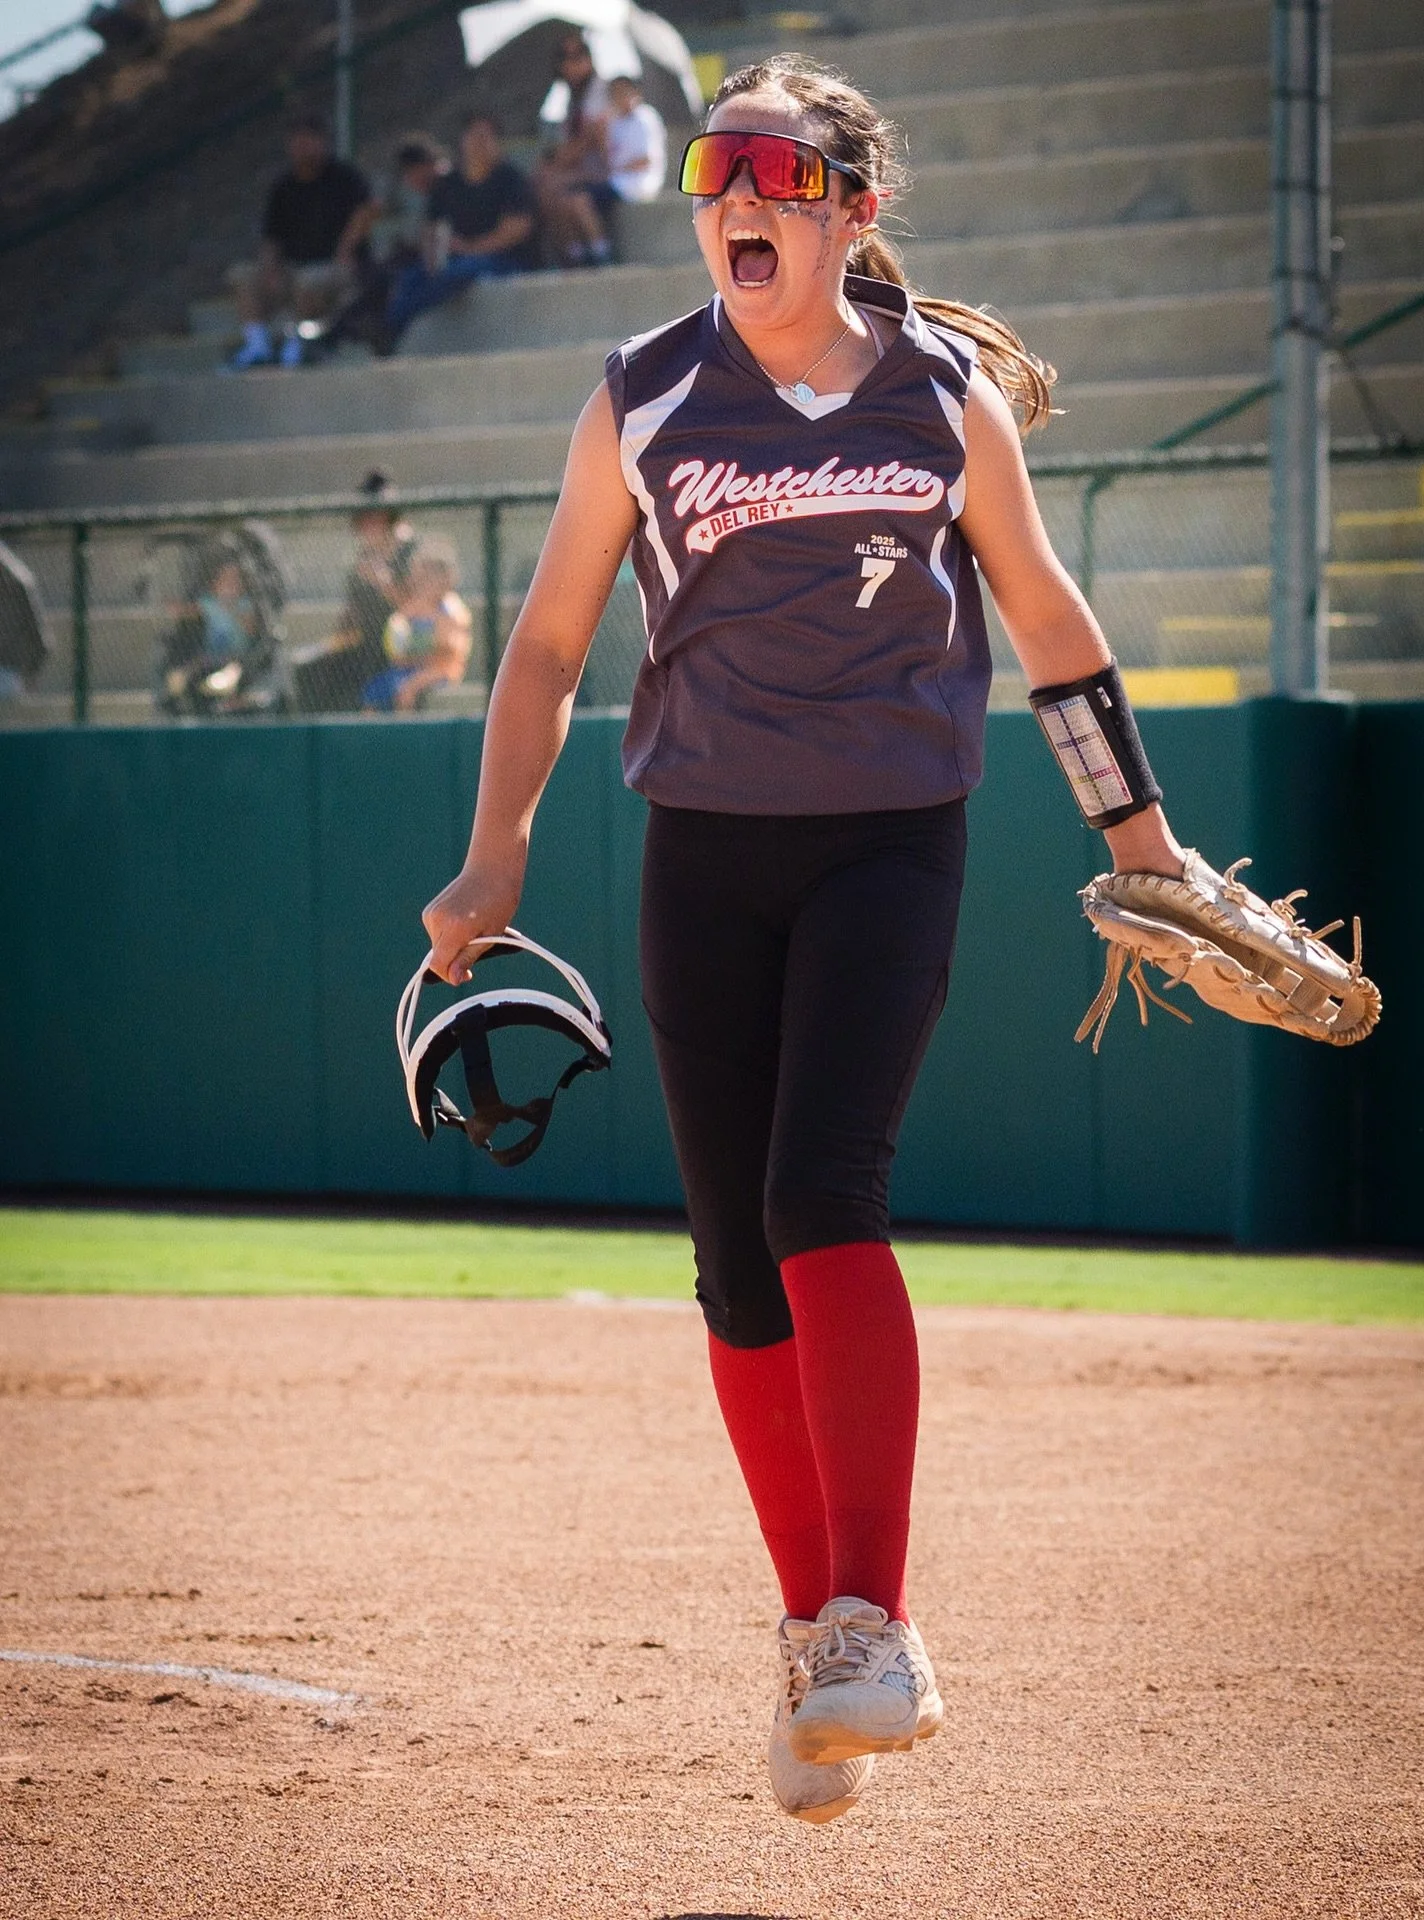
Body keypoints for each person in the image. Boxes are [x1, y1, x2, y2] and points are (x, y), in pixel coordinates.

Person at [420, 54, 1188, 1827]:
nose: (735, 201)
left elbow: (1049, 621)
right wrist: (494, 852)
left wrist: (1140, 839)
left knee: (820, 1194)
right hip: (703, 853)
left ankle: (875, 1624)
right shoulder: (642, 394)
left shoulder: (943, 396)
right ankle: (813, 1642)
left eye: (774, 171)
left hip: (887, 844)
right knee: (734, 1270)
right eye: (713, 172)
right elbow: (549, 645)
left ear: (851, 207)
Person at [227, 113, 374, 370]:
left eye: (308, 140)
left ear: (323, 141)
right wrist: (270, 269)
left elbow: (367, 211)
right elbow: (271, 236)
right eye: (297, 141)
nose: (302, 147)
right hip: (292, 268)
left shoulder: (344, 177)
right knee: (243, 276)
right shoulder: (284, 187)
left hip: (335, 267)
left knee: (309, 281)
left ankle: (298, 345)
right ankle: (257, 346)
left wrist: (346, 250)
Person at [381, 114, 536, 349]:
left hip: (505, 261)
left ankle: (393, 325)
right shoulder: (449, 183)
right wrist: (437, 253)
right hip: (456, 257)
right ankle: (387, 328)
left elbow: (517, 229)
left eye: (486, 137)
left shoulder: (510, 179)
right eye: (474, 136)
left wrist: (470, 248)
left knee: (457, 271)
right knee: (411, 277)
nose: (479, 143)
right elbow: (432, 227)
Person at [313, 135, 450, 357]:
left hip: (438, 254)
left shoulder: (448, 183)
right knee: (375, 280)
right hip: (406, 254)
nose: (419, 178)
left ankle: (351, 333)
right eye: (412, 173)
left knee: (389, 282)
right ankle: (343, 332)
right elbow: (367, 213)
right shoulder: (399, 189)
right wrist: (346, 250)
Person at [292, 473, 419, 712]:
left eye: (375, 517)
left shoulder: (412, 552)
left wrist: (384, 584)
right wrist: (333, 642)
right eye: (364, 518)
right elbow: (352, 614)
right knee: (308, 668)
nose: (368, 525)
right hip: (365, 646)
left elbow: (424, 610)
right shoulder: (363, 557)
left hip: (404, 649)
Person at [362, 537, 472, 711]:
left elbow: (450, 646)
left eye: (425, 578)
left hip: (440, 669)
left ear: (443, 579)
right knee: (375, 690)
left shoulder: (452, 609)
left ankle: (405, 723)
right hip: (411, 667)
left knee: (407, 689)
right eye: (417, 579)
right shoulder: (418, 604)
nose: (418, 584)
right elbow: (398, 624)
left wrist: (417, 645)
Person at [534, 33, 614, 266]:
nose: (570, 64)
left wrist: (557, 164)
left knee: (553, 185)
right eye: (564, 58)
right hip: (585, 170)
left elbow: (589, 140)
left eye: (578, 56)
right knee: (547, 190)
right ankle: (574, 254)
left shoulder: (601, 92)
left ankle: (599, 254)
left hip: (607, 169)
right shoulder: (570, 97)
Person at [605, 75, 667, 206]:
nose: (619, 97)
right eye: (615, 93)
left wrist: (618, 169)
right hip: (618, 180)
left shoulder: (645, 118)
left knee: (583, 199)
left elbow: (646, 160)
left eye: (623, 92)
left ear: (635, 92)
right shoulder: (615, 122)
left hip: (639, 182)